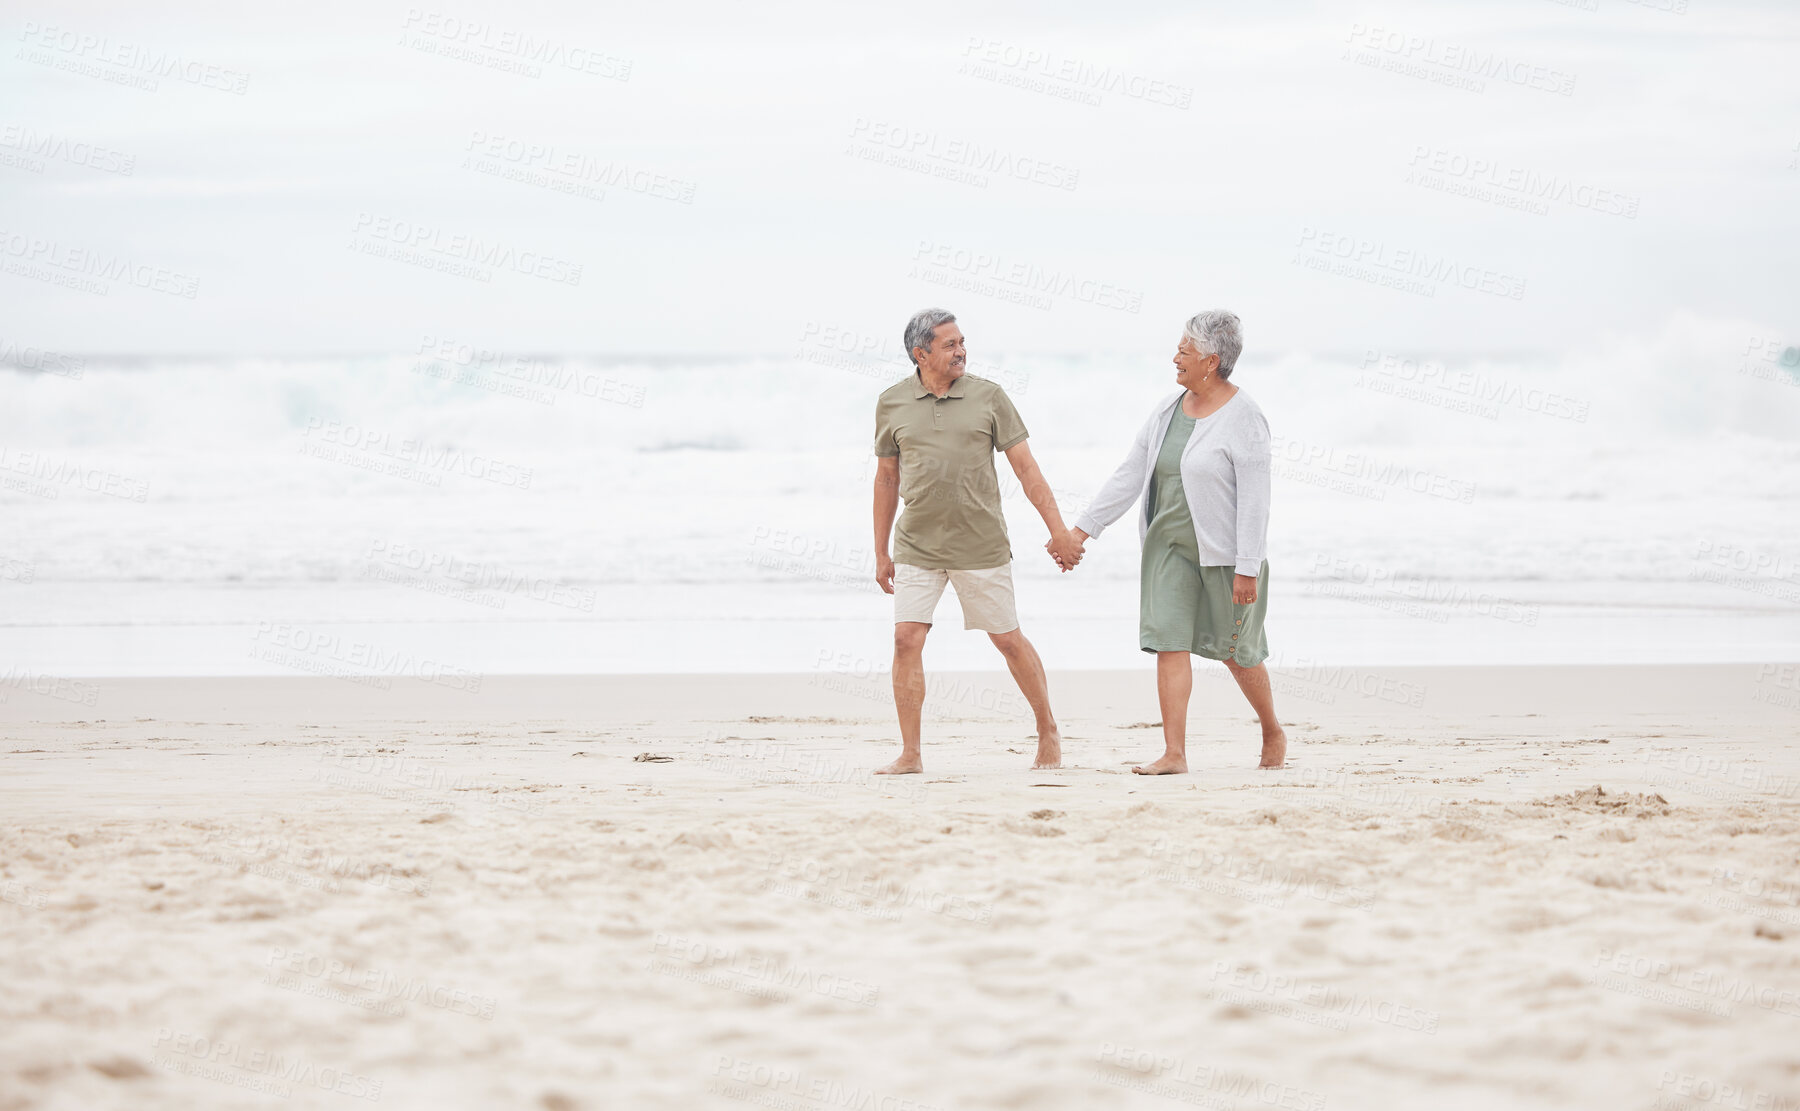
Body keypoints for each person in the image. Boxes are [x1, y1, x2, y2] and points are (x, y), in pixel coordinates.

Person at [1061, 310, 1285, 773]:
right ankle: (1174, 753)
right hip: (1167, 548)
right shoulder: (1167, 411)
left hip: (1224, 556)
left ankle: (1271, 729)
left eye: (1185, 349)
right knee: (1169, 642)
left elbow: (1257, 500)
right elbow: (1130, 474)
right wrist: (1082, 531)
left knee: (1236, 652)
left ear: (1212, 360)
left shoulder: (1246, 418)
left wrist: (1248, 565)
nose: (1176, 357)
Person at [872, 308, 1084, 775]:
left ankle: (1047, 728)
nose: (961, 350)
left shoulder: (990, 397)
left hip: (980, 543)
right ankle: (911, 753)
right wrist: (881, 550)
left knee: (1007, 640)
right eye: (949, 345)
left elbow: (1027, 469)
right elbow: (886, 478)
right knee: (906, 639)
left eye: (962, 342)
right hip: (917, 545)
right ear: (920, 353)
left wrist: (1059, 532)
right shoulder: (891, 403)